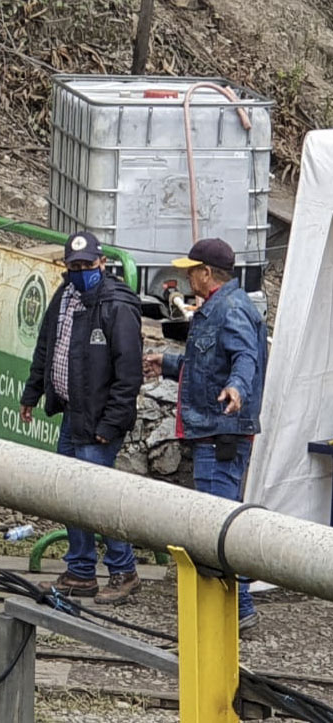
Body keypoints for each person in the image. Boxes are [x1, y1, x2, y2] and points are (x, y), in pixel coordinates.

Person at [144, 237, 267, 630]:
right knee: (221, 520)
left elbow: (245, 357)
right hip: (216, 431)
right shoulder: (220, 307)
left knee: (218, 524)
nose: (186, 278)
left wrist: (237, 389)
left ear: (207, 273)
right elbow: (207, 366)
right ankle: (235, 609)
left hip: (221, 433)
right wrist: (167, 364)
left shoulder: (229, 310)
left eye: (191, 271)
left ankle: (237, 611)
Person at [19, 231, 144, 605]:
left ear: (102, 263)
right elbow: (46, 347)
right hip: (73, 415)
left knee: (98, 499)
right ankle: (81, 571)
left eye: (87, 265)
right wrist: (32, 393)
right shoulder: (64, 296)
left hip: (99, 422)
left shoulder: (117, 306)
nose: (80, 272)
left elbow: (129, 373)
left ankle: (123, 570)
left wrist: (110, 425)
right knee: (70, 495)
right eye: (74, 266)